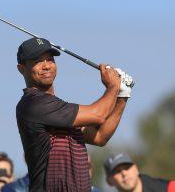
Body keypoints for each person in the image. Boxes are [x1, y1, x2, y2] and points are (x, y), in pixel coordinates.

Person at [16, 37, 134, 191]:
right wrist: (113, 87)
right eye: (38, 61)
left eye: (50, 60)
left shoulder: (59, 110)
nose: (46, 66)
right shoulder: (32, 103)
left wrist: (123, 95)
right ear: (21, 68)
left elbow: (99, 137)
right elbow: (98, 115)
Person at [104, 152, 175, 192]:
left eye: (127, 167)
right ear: (109, 181)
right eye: (117, 171)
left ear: (136, 169)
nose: (124, 173)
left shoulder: (169, 188)